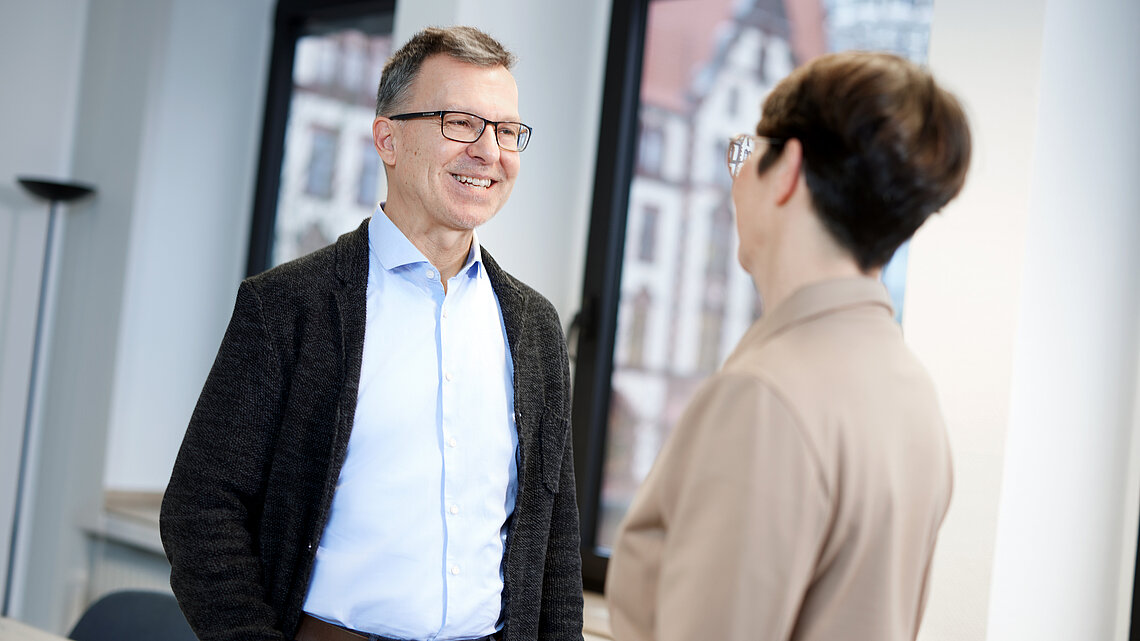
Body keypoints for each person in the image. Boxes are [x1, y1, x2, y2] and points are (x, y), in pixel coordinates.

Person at [160, 26, 583, 641]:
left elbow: (557, 544)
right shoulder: (286, 308)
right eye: (460, 123)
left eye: (506, 130)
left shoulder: (536, 329)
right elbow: (200, 511)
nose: (489, 152)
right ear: (388, 137)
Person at [606, 51, 971, 641]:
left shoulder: (764, 398)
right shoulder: (909, 387)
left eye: (746, 153)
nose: (736, 178)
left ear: (788, 170)